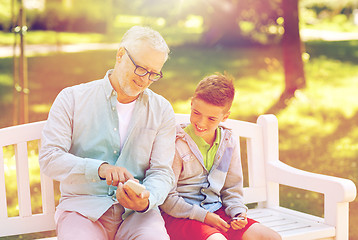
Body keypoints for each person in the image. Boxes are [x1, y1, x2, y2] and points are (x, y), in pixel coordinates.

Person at [39, 26, 176, 240]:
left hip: (137, 216)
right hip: (82, 211)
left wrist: (147, 200)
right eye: (141, 68)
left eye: (153, 74)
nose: (145, 79)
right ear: (120, 55)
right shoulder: (72, 98)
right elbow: (49, 158)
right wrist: (99, 169)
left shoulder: (162, 109)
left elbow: (162, 172)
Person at [160, 74, 282, 240]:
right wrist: (204, 217)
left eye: (211, 118)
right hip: (180, 216)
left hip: (216, 212)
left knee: (270, 237)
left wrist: (238, 212)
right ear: (191, 104)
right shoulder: (176, 142)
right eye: (196, 113)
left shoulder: (228, 142)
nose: (201, 123)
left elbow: (232, 189)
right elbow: (166, 198)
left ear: (225, 117)